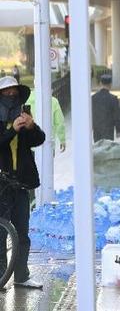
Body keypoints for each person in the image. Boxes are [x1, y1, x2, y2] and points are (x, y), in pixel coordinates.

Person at [0, 76, 45, 289]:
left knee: (22, 233)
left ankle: (21, 276)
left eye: (14, 93)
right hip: (1, 184)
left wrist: (31, 126)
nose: (11, 96)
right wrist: (12, 131)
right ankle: (1, 277)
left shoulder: (23, 117)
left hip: (21, 183)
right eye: (7, 93)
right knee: (1, 232)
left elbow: (39, 140)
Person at [91, 74, 120, 142]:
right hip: (109, 129)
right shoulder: (113, 99)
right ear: (110, 84)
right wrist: (118, 130)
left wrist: (91, 126)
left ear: (100, 83)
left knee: (98, 146)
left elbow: (90, 113)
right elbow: (117, 115)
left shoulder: (93, 98)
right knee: (108, 146)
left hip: (97, 128)